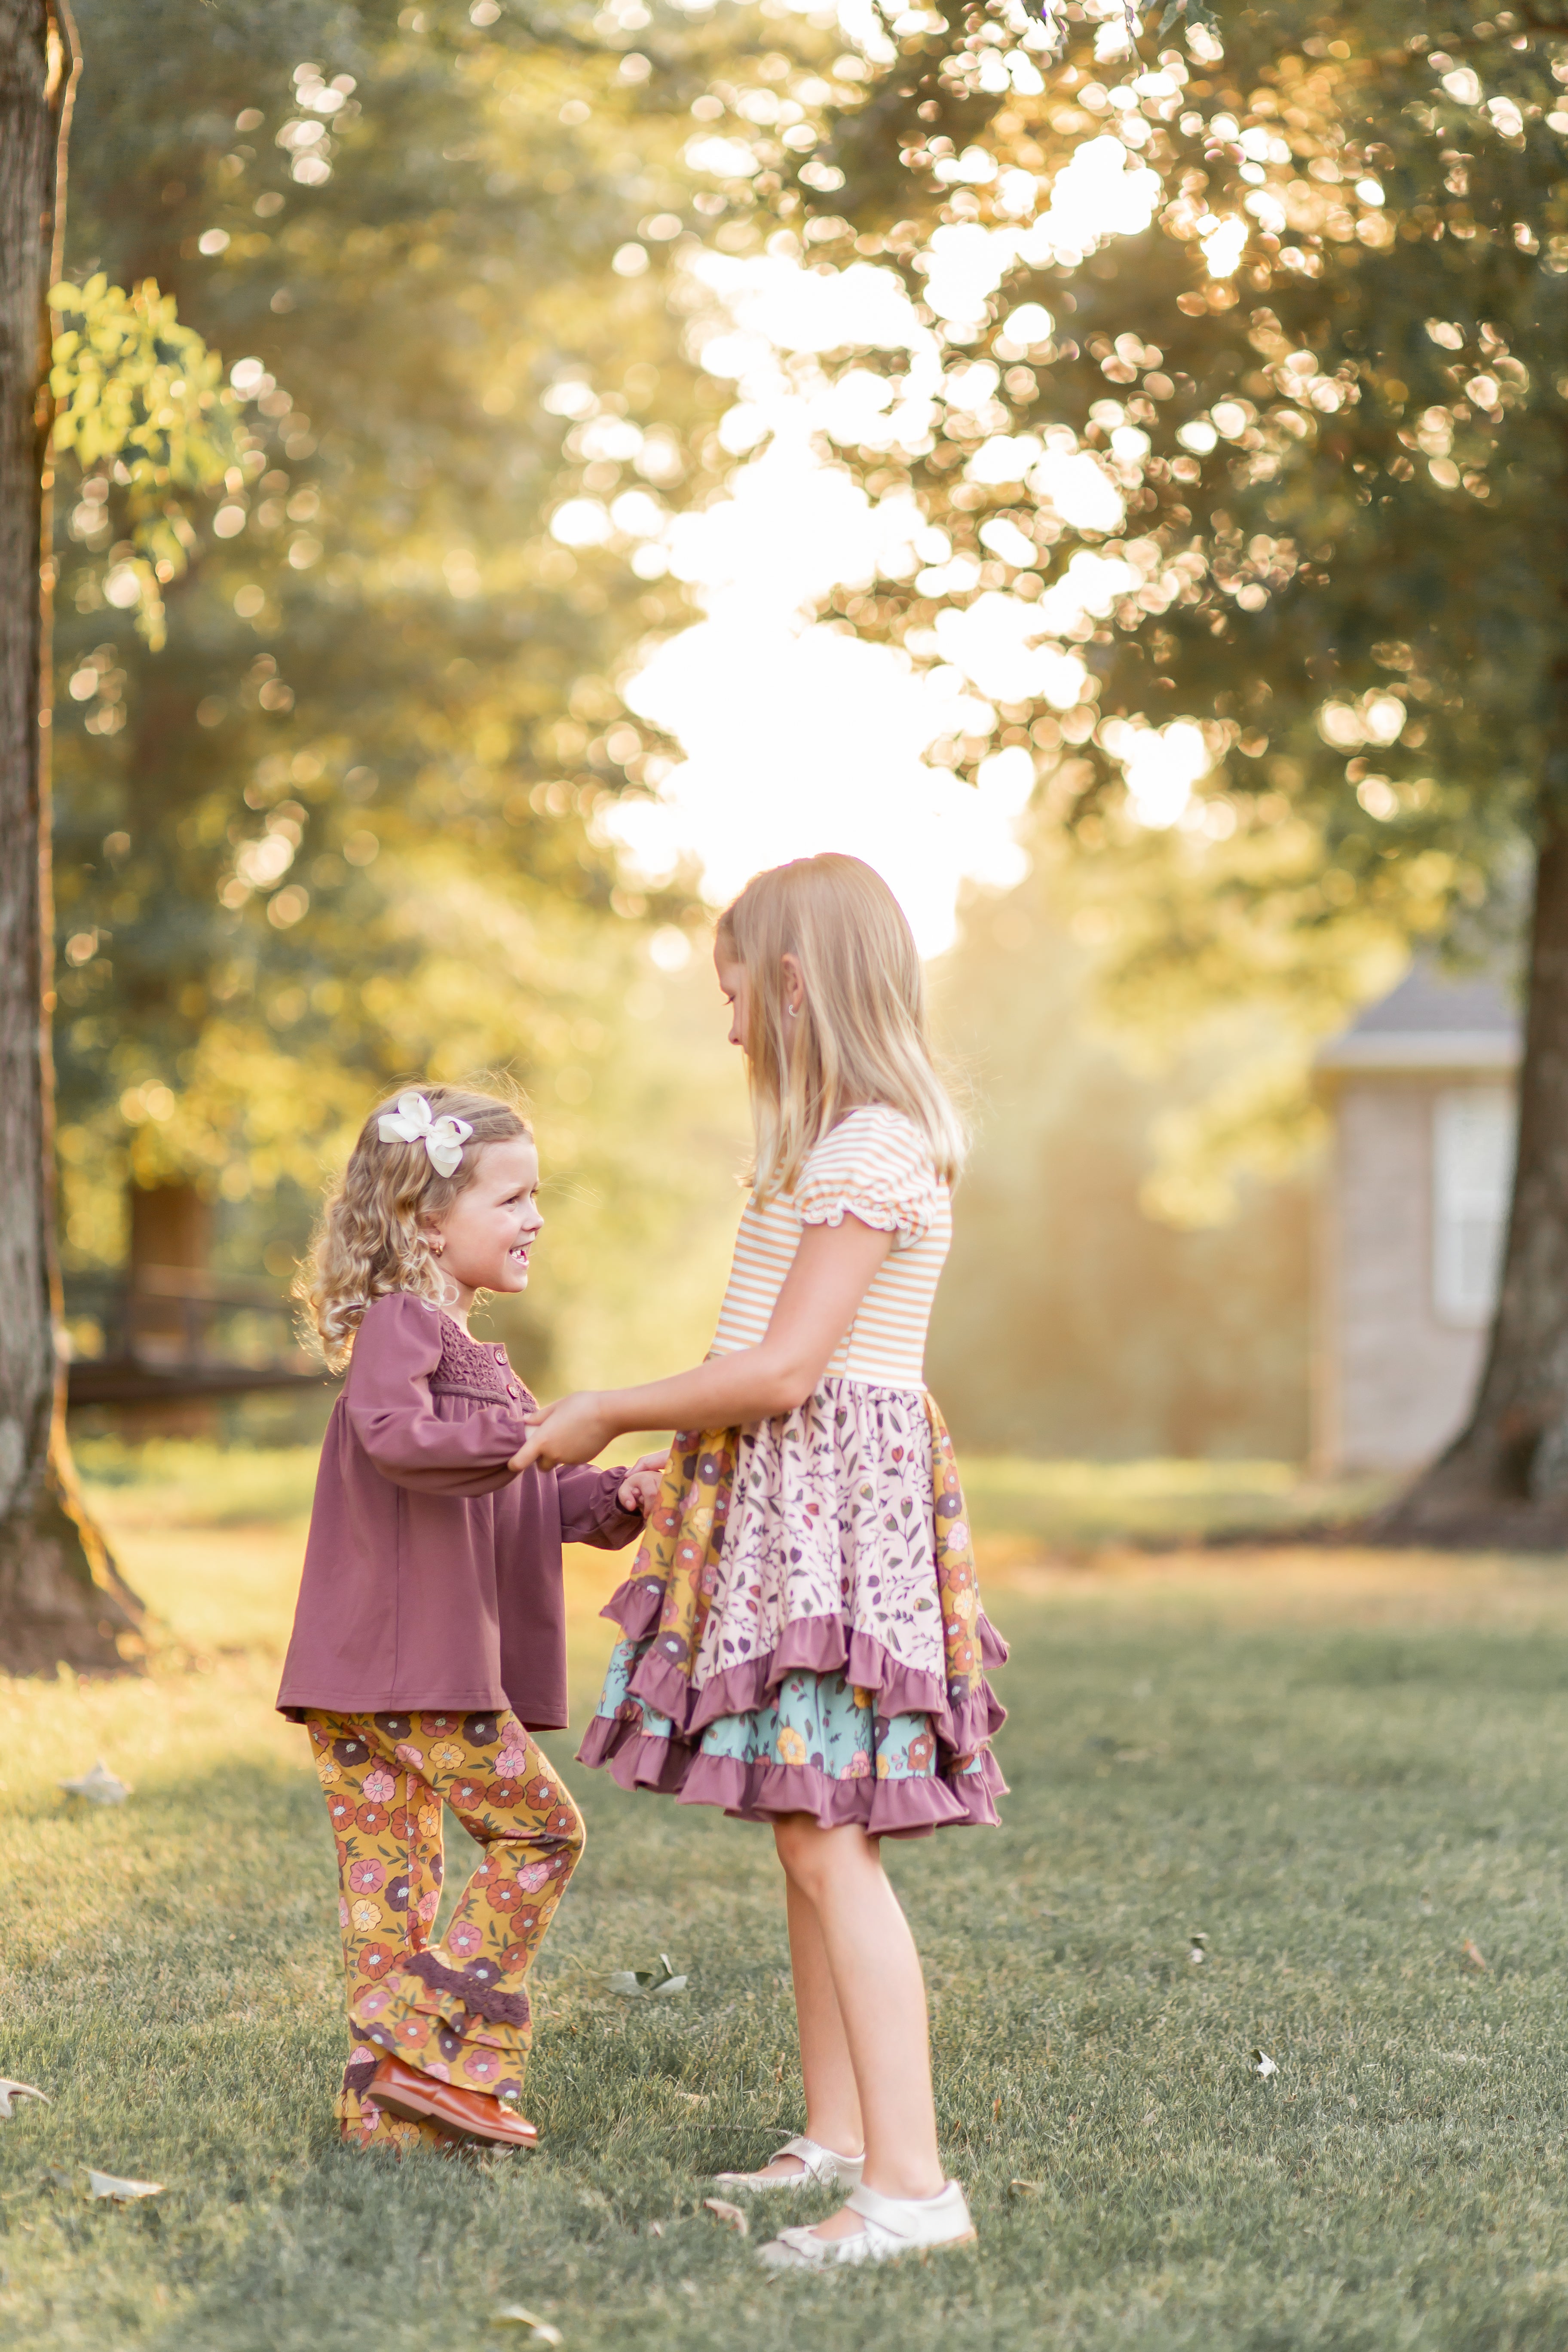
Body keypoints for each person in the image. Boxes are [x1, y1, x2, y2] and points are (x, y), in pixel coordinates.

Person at [511, 855, 1006, 2268]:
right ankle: (836, 2139)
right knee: (804, 1819)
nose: (724, 1026)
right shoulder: (830, 1145)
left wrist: (607, 1404)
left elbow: (786, 1370)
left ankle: (910, 2190)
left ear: (792, 982)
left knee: (825, 1835)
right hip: (789, 1514)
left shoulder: (871, 1150)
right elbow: (765, 1361)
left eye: (734, 992)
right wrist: (674, 1477)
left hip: (831, 1533)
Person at [276, 1082, 662, 2156]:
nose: (536, 1217)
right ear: (427, 1221)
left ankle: (380, 2123)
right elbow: (399, 1438)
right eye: (514, 1197)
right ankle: (443, 2057)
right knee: (540, 1833)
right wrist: (533, 1445)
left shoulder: (471, 1355)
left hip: (366, 1680)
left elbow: (520, 1492)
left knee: (391, 1899)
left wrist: (617, 1492)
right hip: (417, 1670)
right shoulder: (405, 1328)